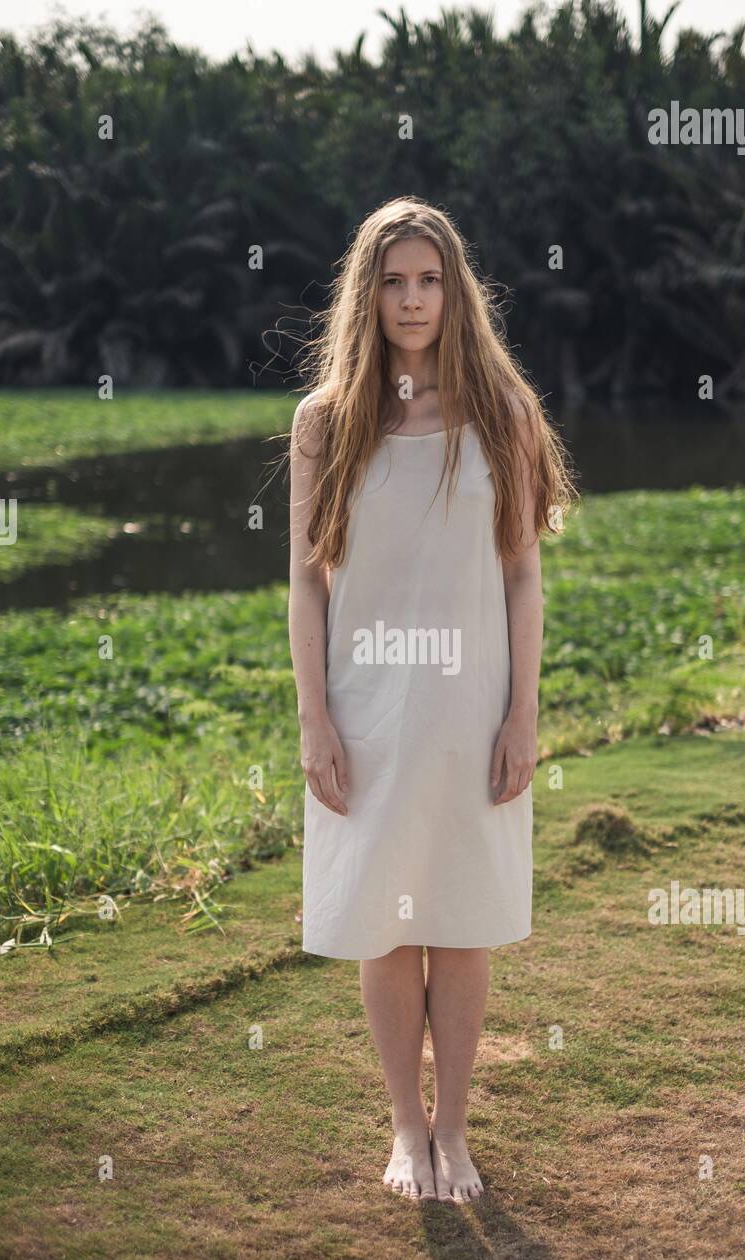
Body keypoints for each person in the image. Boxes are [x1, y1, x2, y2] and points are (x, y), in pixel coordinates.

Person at [288, 196, 576, 1203]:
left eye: (429, 279)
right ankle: (404, 1131)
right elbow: (305, 583)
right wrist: (313, 719)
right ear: (365, 295)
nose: (412, 299)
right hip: (368, 712)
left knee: (457, 919)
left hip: (471, 707)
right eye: (393, 280)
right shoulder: (323, 423)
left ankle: (453, 1130)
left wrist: (521, 713)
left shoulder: (505, 415)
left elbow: (520, 578)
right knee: (386, 920)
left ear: (456, 291)